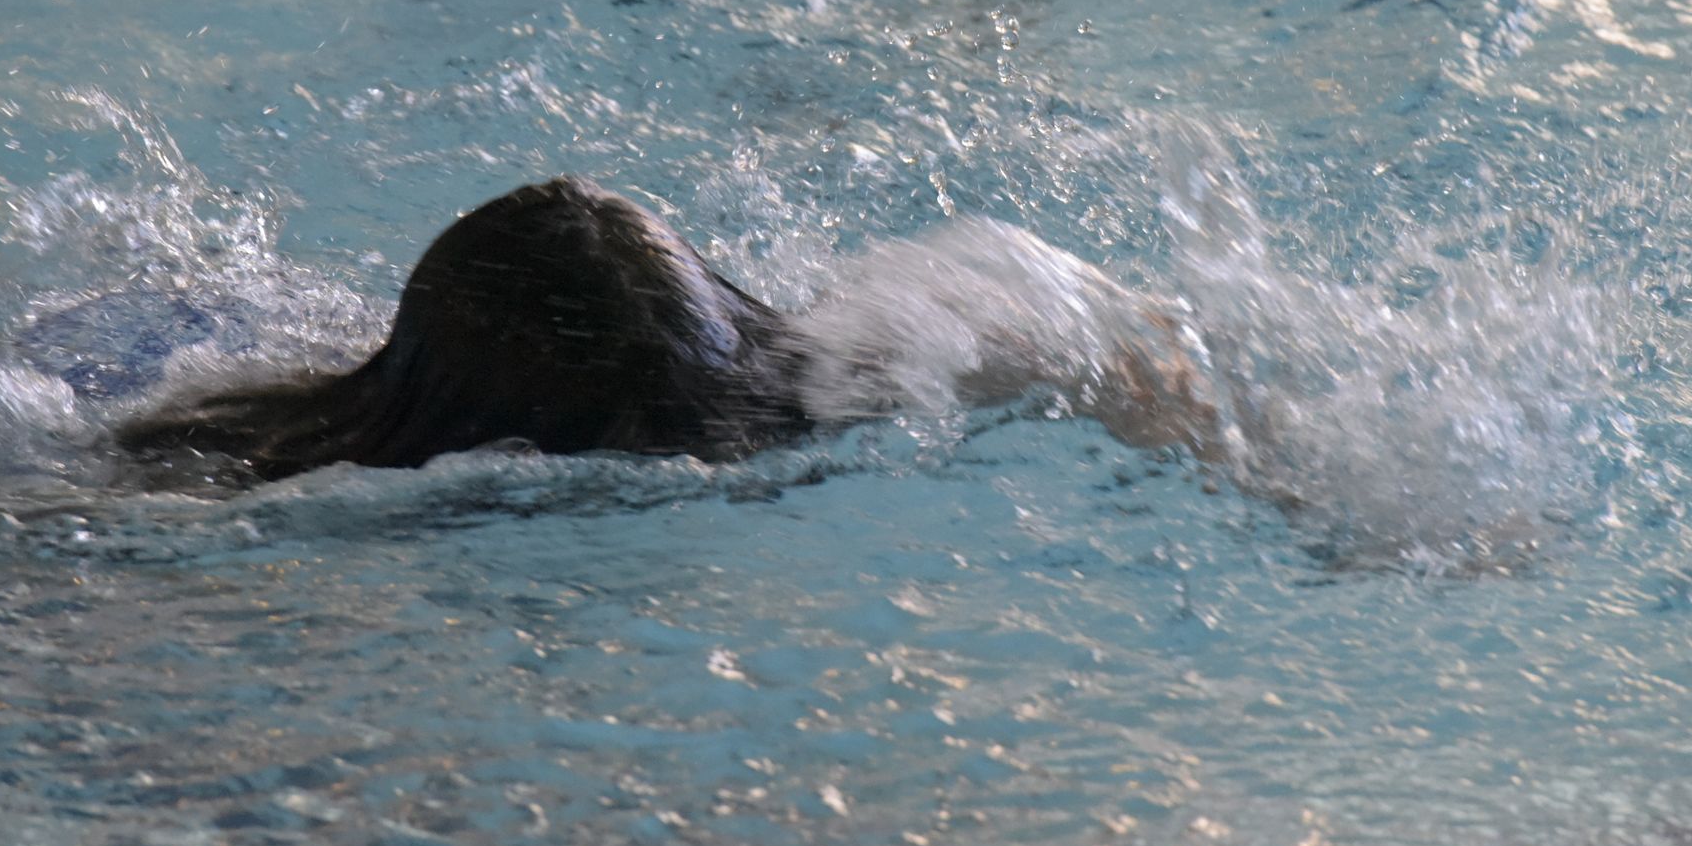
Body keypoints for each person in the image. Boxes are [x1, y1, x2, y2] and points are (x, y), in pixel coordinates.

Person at [112, 176, 1222, 485]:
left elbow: (1093, 329)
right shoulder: (228, 472)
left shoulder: (796, 383)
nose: (658, 451)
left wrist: (1229, 452)